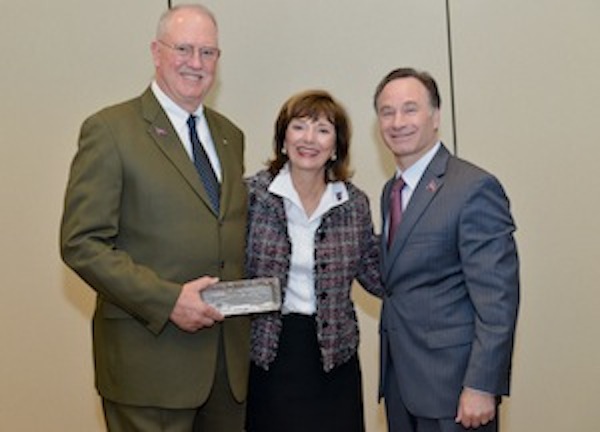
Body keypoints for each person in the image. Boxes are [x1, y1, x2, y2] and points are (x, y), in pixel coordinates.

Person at [60, 4, 250, 431]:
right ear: (156, 51)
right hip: (149, 368)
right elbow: (82, 243)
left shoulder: (229, 135)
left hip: (226, 371)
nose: (196, 63)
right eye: (183, 48)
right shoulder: (110, 130)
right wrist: (168, 300)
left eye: (208, 52)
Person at [374, 67, 520, 432]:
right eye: (387, 111)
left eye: (410, 109)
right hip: (401, 385)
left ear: (436, 117)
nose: (397, 122)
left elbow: (498, 299)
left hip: (455, 391)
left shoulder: (473, 188)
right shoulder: (390, 192)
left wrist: (482, 385)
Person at [244, 90, 384, 432]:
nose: (309, 139)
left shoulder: (353, 204)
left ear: (336, 145)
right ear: (283, 138)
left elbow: (376, 274)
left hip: (334, 359)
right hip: (267, 354)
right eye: (299, 126)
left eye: (322, 129)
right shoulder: (251, 195)